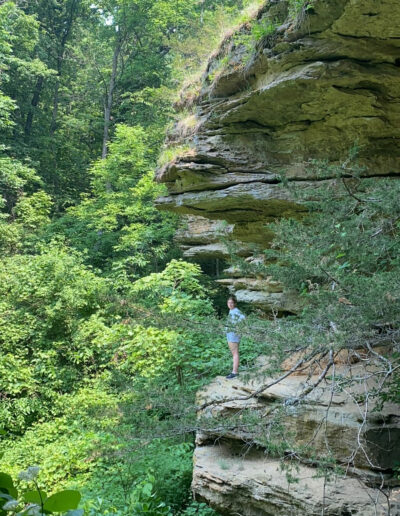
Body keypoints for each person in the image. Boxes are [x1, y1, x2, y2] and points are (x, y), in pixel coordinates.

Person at [225, 295, 245, 379]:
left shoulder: (236, 311)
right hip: (230, 335)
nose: (230, 304)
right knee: (234, 353)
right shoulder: (231, 311)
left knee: (235, 353)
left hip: (233, 336)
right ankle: (234, 370)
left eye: (232, 303)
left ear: (235, 303)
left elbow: (243, 320)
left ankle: (235, 372)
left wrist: (238, 330)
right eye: (229, 303)